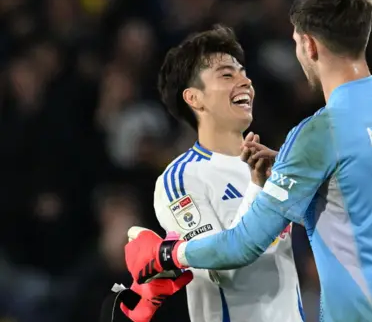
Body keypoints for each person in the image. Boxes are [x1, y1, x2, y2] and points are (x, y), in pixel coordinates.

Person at [125, 0, 372, 322]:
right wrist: (294, 171)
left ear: (309, 44)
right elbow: (366, 183)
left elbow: (242, 245)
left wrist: (166, 255)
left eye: (295, 42)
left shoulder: (319, 133)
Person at [108, 25, 305, 322]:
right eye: (228, 74)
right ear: (194, 98)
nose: (246, 81)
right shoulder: (182, 178)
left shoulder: (268, 163)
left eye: (243, 72)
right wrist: (258, 189)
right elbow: (223, 268)